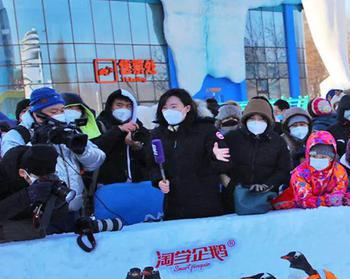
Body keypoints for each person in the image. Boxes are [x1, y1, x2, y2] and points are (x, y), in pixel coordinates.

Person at [4, 87, 106, 214]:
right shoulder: (18, 135)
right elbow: (11, 170)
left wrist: (81, 150)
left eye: (62, 110)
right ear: (37, 113)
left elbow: (98, 160)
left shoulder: (69, 129)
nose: (59, 115)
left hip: (75, 208)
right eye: (53, 111)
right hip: (38, 211)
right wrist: (38, 144)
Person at [146, 88, 231, 220]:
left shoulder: (205, 129)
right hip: (174, 207)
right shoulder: (158, 134)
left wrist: (217, 157)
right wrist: (158, 180)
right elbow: (153, 165)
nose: (169, 111)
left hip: (206, 205)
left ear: (187, 108)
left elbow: (224, 164)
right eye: (165, 108)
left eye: (174, 107)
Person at [223, 96, 291, 207]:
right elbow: (222, 166)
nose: (256, 122)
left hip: (267, 198)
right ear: (245, 120)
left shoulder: (277, 141)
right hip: (233, 199)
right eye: (252, 119)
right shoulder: (231, 138)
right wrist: (234, 186)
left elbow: (283, 169)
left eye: (261, 119)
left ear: (268, 121)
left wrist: (267, 185)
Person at [0, 145, 71, 241]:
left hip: (32, 231)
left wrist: (56, 203)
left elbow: (57, 217)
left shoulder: (47, 178)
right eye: (41, 178)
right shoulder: (4, 175)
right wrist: (27, 196)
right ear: (23, 173)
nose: (44, 181)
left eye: (48, 177)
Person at [279, 130, 350, 209]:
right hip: (291, 206)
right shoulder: (300, 173)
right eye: (314, 156)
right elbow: (304, 199)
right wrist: (327, 200)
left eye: (323, 157)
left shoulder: (339, 171)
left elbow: (338, 192)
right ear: (308, 155)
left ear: (331, 158)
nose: (318, 159)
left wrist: (344, 198)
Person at [95, 89, 150, 184]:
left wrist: (137, 146)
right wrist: (119, 129)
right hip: (109, 186)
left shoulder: (138, 126)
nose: (124, 109)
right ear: (110, 107)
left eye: (128, 106)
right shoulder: (100, 125)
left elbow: (150, 157)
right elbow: (95, 151)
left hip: (137, 185)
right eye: (119, 105)